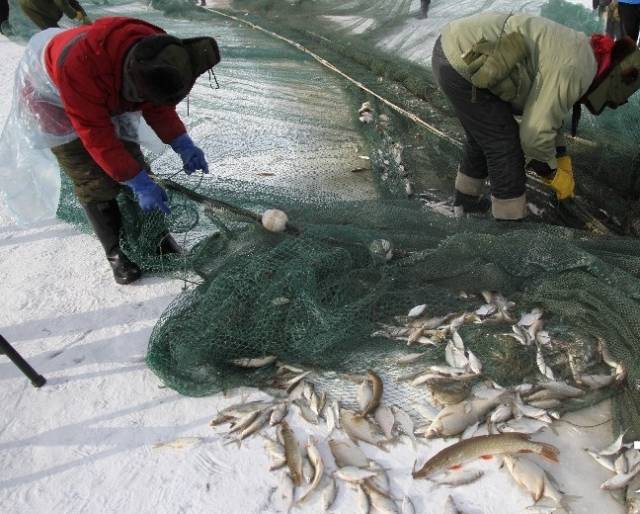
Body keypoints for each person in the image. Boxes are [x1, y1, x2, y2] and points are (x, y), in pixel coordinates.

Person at [16, 16, 220, 283]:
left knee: (136, 164)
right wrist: (136, 182)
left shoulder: (158, 51)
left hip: (104, 85)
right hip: (52, 100)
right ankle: (116, 253)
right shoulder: (80, 66)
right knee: (93, 179)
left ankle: (157, 239)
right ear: (133, 81)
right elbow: (96, 135)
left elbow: (157, 105)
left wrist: (182, 142)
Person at [431, 12, 640, 220]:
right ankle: (509, 226)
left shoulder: (587, 56)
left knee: (484, 137)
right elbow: (534, 136)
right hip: (461, 60)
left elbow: (548, 108)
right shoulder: (576, 69)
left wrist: (560, 156)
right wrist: (552, 173)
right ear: (610, 82)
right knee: (504, 144)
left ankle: (466, 202)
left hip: (457, 47)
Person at [19, 0, 90, 30]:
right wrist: (74, 14)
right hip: (33, 6)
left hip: (27, 6)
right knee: (54, 33)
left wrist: (84, 15)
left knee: (52, 31)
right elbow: (61, 2)